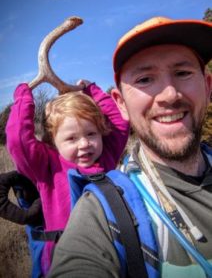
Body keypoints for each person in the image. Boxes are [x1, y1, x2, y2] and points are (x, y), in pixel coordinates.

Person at [48, 16, 212, 278]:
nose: (169, 95)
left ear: (207, 85)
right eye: (145, 79)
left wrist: (91, 88)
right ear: (121, 103)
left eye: (182, 73)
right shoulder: (104, 211)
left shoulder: (109, 146)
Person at [6, 79, 129, 277]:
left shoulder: (106, 156)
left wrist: (91, 90)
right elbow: (18, 140)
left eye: (91, 133)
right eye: (71, 138)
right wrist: (23, 96)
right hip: (63, 261)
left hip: (112, 254)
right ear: (53, 141)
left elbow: (120, 122)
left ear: (101, 133)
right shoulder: (47, 166)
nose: (84, 144)